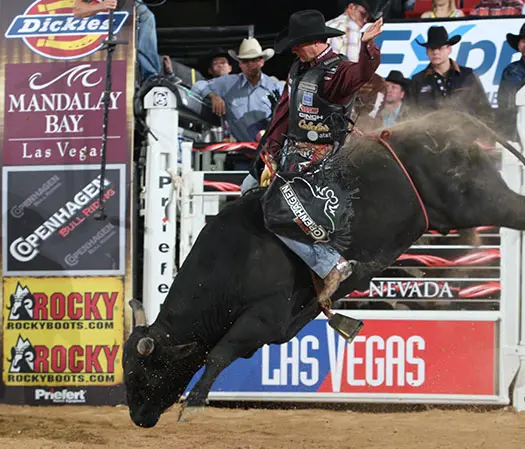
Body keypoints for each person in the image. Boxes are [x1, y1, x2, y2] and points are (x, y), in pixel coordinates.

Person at [252, 10, 383, 309]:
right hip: (292, 155)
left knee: (275, 212)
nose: (294, 49)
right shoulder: (299, 68)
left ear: (313, 42)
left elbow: (363, 72)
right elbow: (286, 112)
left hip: (322, 160)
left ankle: (328, 265)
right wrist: (268, 150)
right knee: (251, 190)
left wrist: (368, 47)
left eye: (297, 44)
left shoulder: (337, 71)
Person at [191, 38, 284, 146]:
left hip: (269, 150)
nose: (250, 65)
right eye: (245, 61)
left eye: (254, 60)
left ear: (261, 62)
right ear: (240, 64)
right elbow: (197, 86)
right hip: (240, 152)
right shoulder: (228, 83)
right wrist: (213, 96)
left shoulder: (275, 86)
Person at [409, 26, 493, 122]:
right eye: (432, 48)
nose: (435, 52)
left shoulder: (468, 75)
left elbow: (485, 111)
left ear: (449, 49)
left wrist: (480, 135)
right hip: (430, 134)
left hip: (465, 134)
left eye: (440, 48)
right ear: (427, 51)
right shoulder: (418, 80)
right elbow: (409, 114)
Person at [73, 0, 162, 83]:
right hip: (95, 26)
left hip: (127, 9)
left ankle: (151, 76)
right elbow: (77, 10)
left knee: (146, 16)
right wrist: (101, 6)